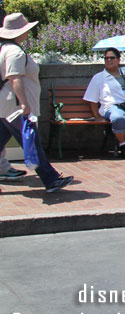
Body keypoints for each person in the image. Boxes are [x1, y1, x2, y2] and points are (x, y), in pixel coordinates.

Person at [0, 13, 75, 193]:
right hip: (15, 107)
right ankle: (50, 179)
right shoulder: (15, 52)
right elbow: (15, 78)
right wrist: (25, 105)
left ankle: (51, 179)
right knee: (31, 141)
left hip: (5, 106)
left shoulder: (3, 49)